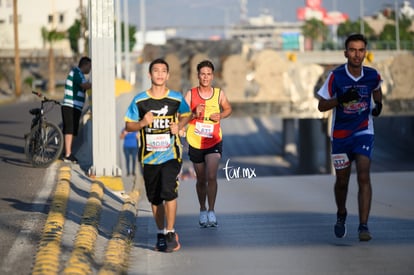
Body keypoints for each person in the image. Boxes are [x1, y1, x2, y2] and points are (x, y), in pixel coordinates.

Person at [317, 34, 383, 241]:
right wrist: (342, 99)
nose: (357, 54)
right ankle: (341, 213)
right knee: (342, 181)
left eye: (361, 50)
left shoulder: (372, 75)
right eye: (353, 50)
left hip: (363, 131)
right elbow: (321, 106)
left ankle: (363, 226)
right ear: (346, 53)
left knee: (364, 174)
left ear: (365, 53)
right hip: (340, 136)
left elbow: (377, 90)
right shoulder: (336, 76)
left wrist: (378, 105)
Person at [124, 58, 192, 252]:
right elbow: (129, 125)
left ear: (168, 75)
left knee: (168, 190)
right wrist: (142, 123)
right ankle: (161, 232)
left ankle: (170, 232)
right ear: (149, 75)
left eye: (163, 71)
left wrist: (179, 125)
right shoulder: (139, 100)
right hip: (148, 157)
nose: (160, 74)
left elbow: (188, 114)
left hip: (171, 154)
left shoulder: (176, 98)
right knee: (155, 198)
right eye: (156, 71)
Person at [184, 60, 232, 227]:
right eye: (202, 74)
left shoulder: (218, 94)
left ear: (212, 76)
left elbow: (228, 108)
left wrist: (221, 115)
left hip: (214, 140)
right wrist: (192, 113)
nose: (205, 77)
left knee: (211, 176)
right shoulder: (190, 94)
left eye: (208, 74)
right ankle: (202, 209)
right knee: (201, 179)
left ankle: (211, 210)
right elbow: (180, 116)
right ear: (198, 75)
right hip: (196, 142)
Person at [61, 56, 92, 163]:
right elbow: (85, 85)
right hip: (70, 105)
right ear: (85, 65)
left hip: (75, 106)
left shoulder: (81, 74)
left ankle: (67, 152)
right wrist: (95, 84)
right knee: (70, 129)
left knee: (73, 130)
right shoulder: (76, 72)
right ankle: (68, 154)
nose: (90, 69)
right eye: (90, 66)